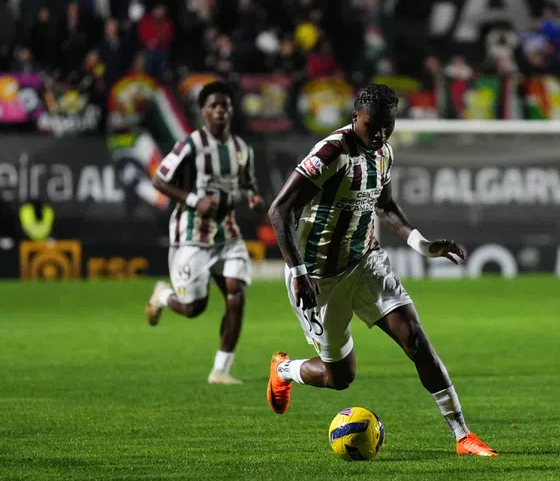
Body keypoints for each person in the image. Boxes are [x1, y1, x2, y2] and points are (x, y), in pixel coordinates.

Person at [266, 83, 498, 457]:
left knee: (416, 339)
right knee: (339, 377)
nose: (379, 134)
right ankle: (284, 371)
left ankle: (463, 436)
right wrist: (298, 272)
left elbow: (385, 207)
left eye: (387, 126)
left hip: (366, 263)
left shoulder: (383, 153)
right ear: (355, 117)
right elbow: (280, 209)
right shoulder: (331, 153)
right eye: (373, 126)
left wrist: (424, 245)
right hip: (319, 279)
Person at [145, 81, 265, 386]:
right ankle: (163, 296)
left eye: (225, 105)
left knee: (236, 296)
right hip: (192, 234)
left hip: (227, 234)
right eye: (214, 106)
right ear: (204, 112)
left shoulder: (241, 149)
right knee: (193, 308)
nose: (220, 111)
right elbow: (159, 180)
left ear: (231, 111)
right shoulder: (191, 145)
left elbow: (248, 183)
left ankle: (220, 370)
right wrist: (193, 199)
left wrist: (253, 197)